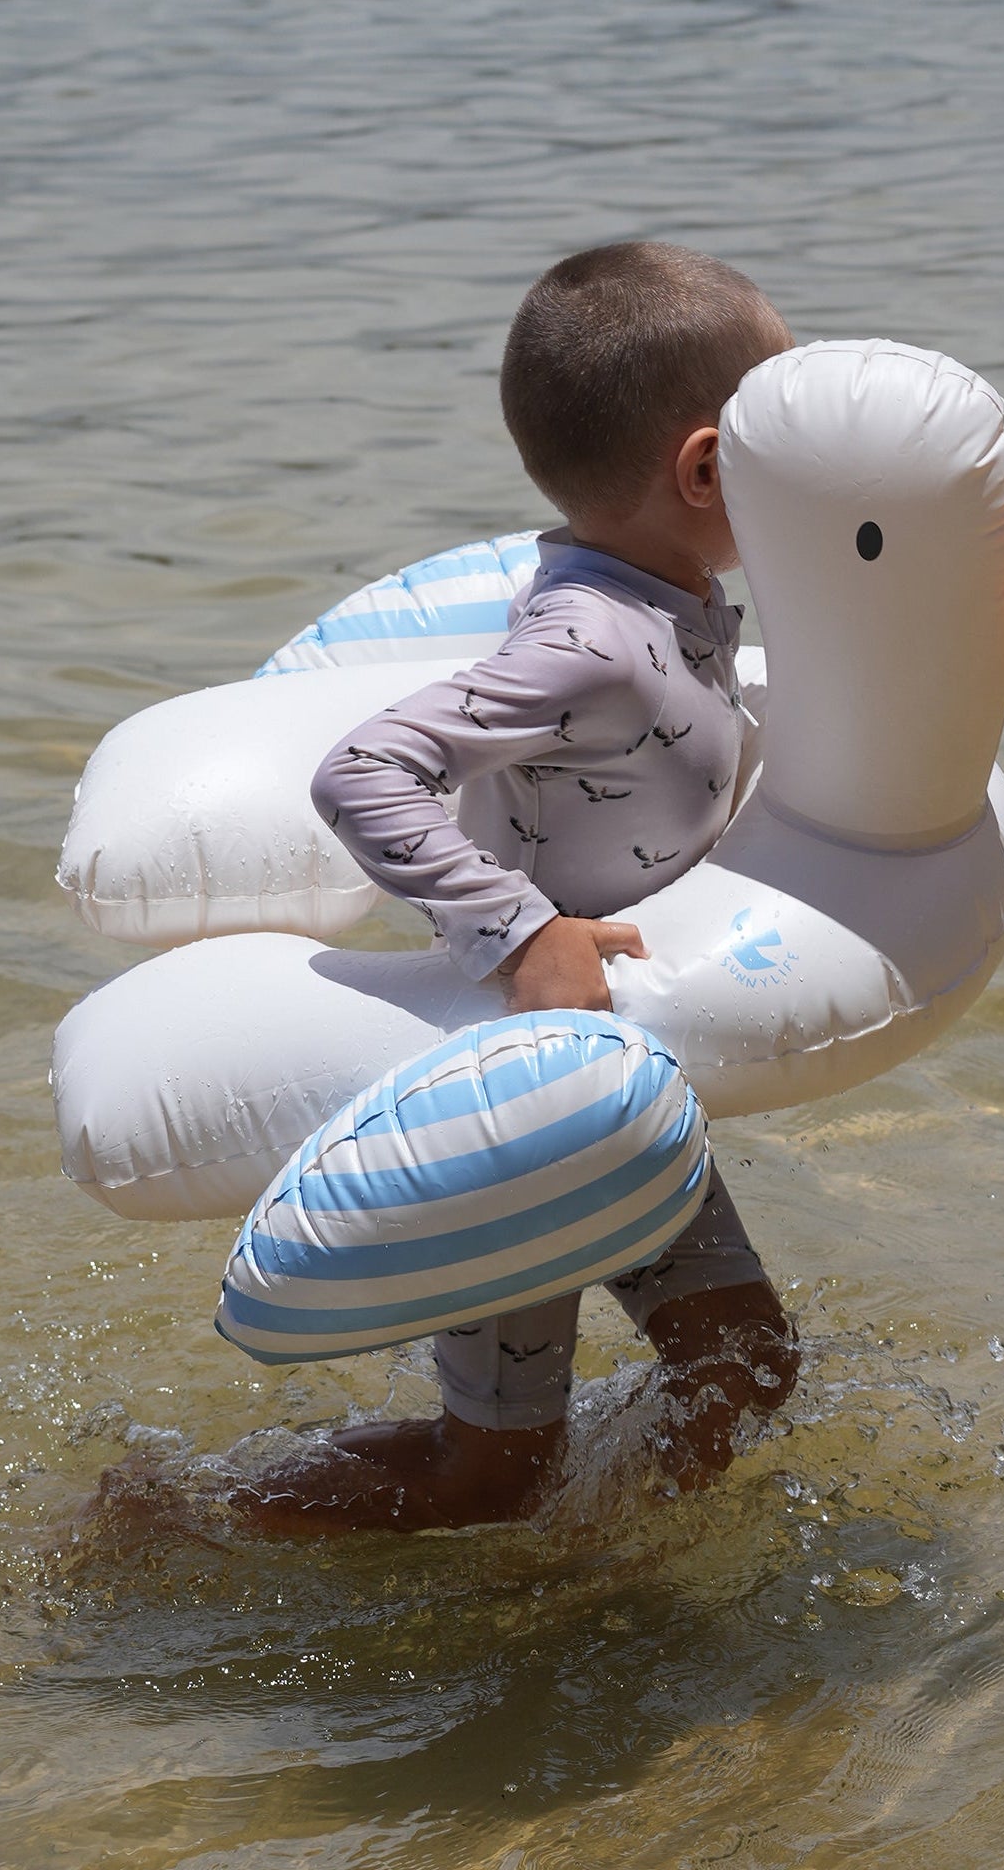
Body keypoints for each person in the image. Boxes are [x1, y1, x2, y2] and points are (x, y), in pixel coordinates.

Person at [232, 241, 800, 1533]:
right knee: (490, 1472)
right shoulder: (588, 639)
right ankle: (174, 1518)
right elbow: (364, 770)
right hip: (516, 1106)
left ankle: (592, 1574)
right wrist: (519, 933)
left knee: (745, 1367)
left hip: (604, 1084)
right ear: (706, 469)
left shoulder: (671, 602)